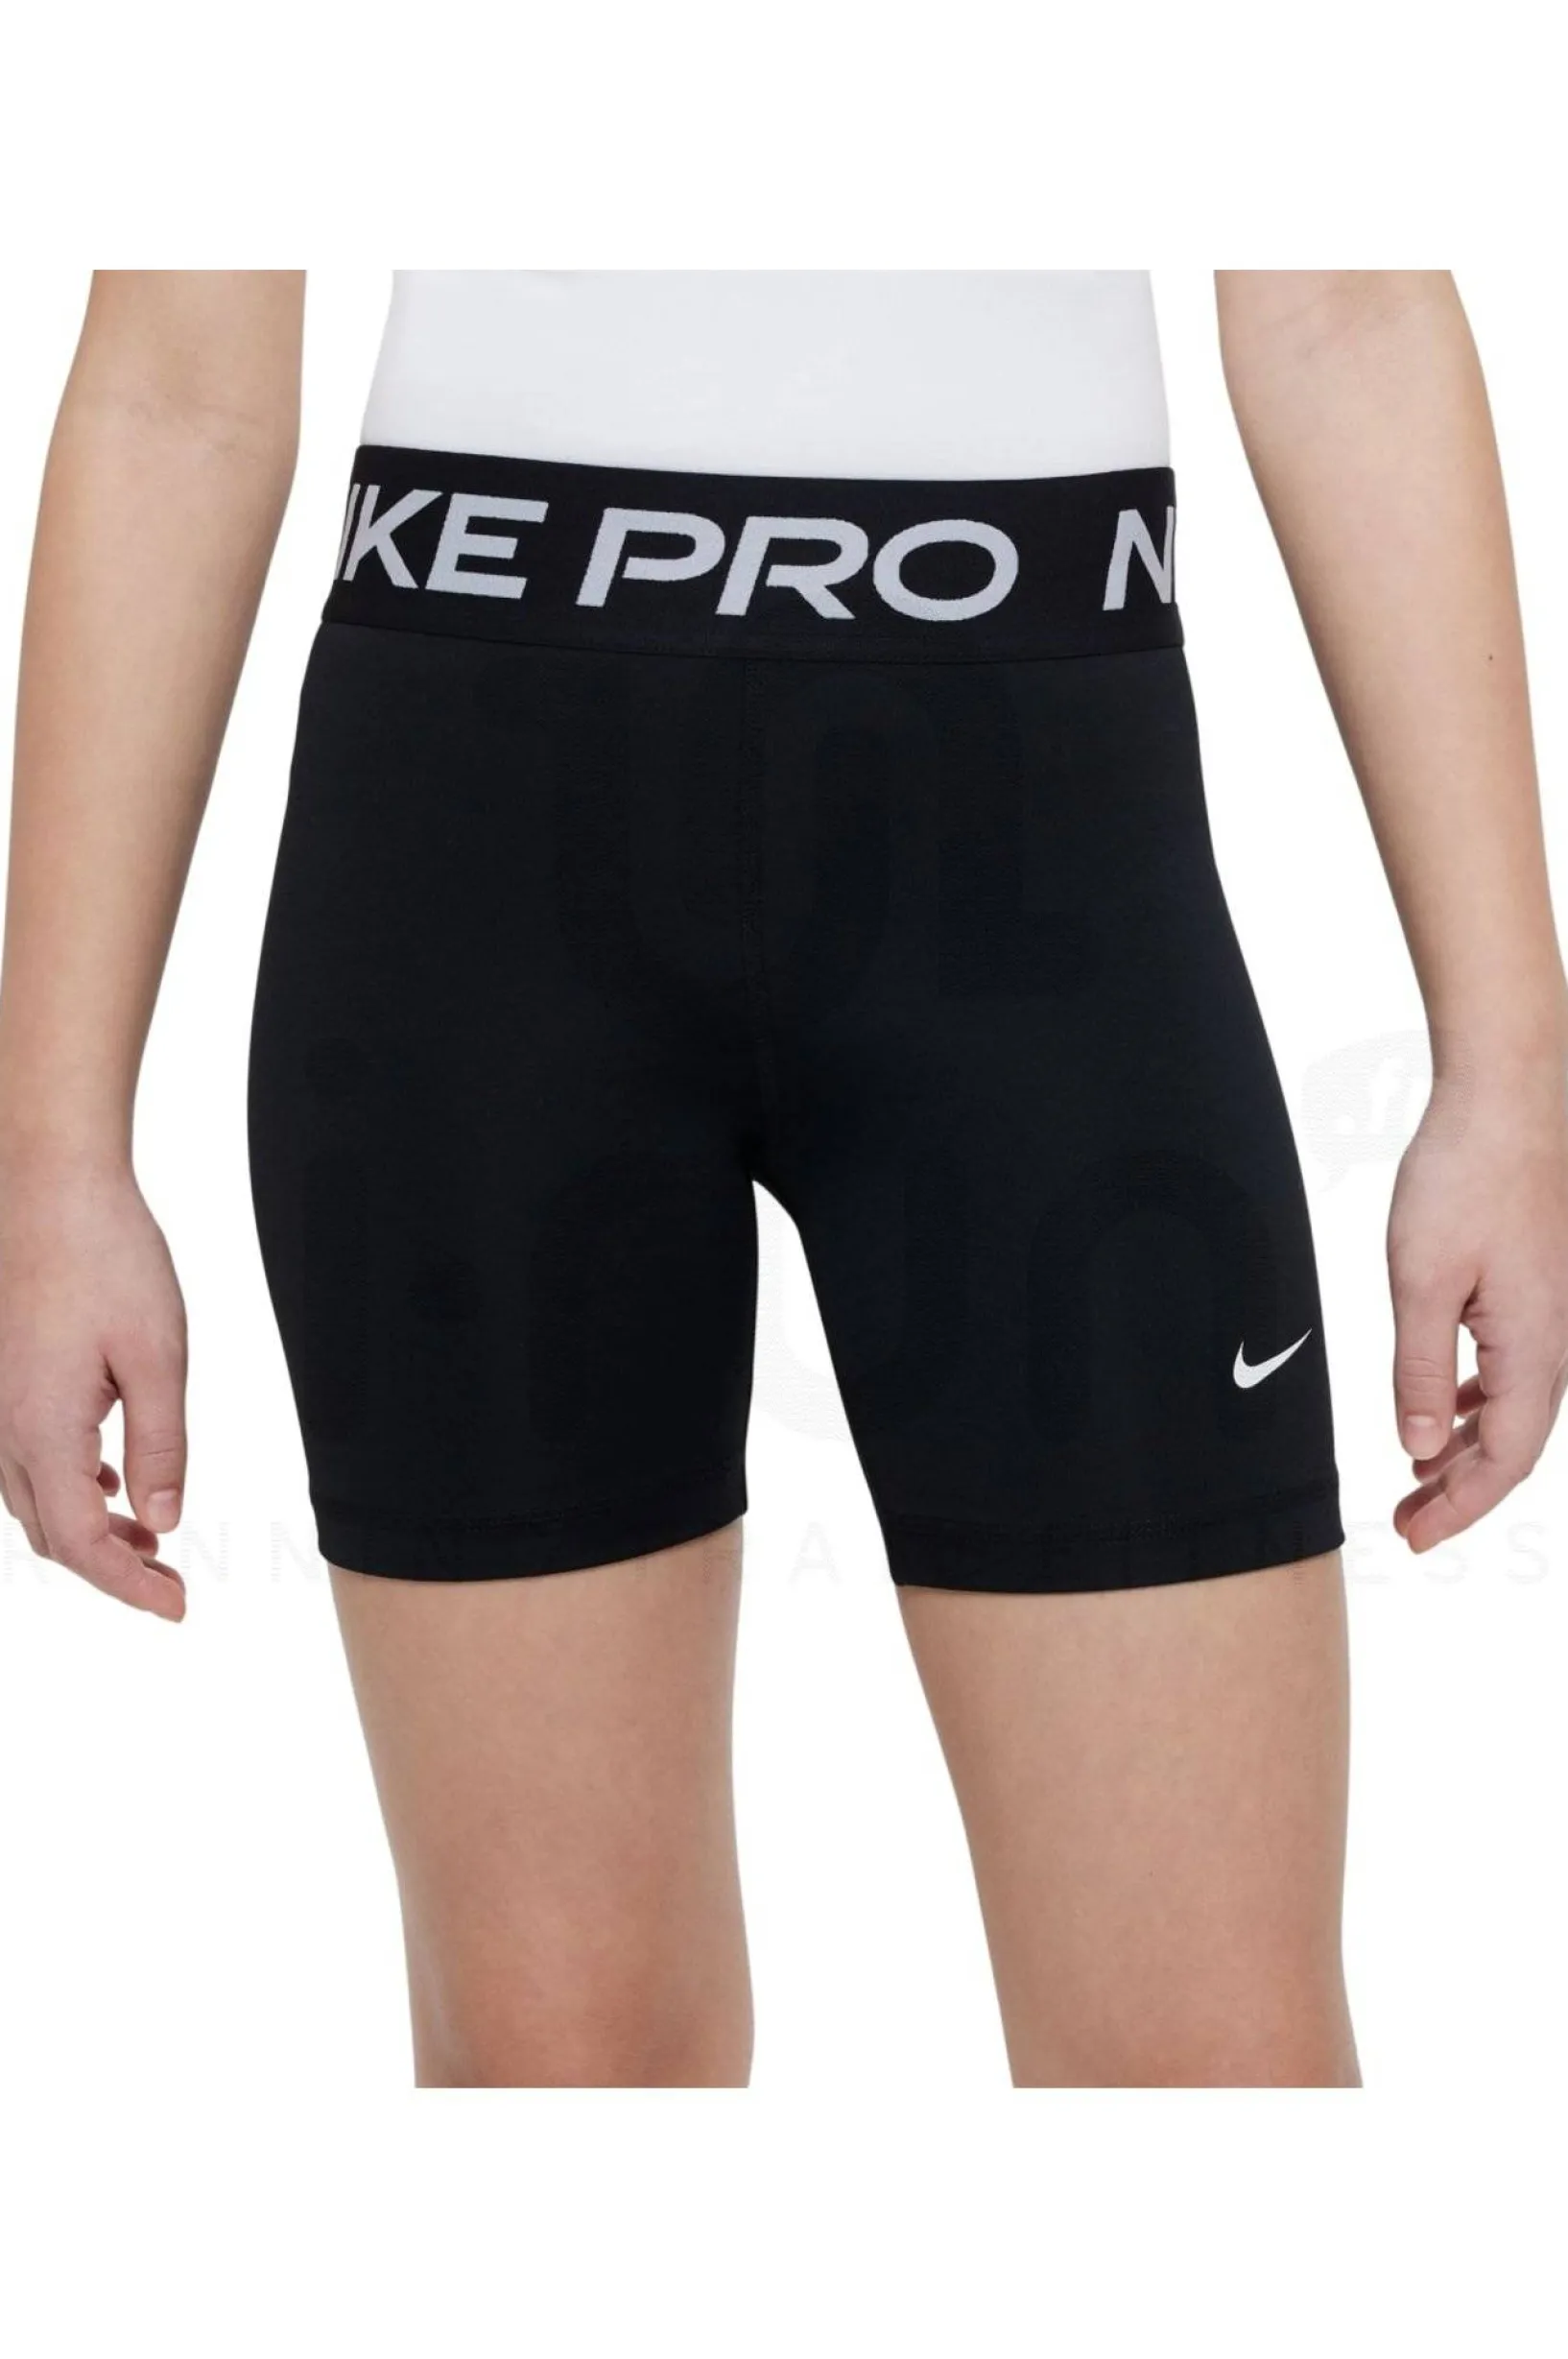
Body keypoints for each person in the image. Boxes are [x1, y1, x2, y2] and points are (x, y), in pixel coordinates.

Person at [1, 272, 1563, 2088]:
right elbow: (174, 384)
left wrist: (1509, 1075)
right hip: (474, 867)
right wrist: (52, 1156)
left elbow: (1346, 312)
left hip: (1043, 859)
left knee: (1214, 2071)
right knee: (560, 2067)